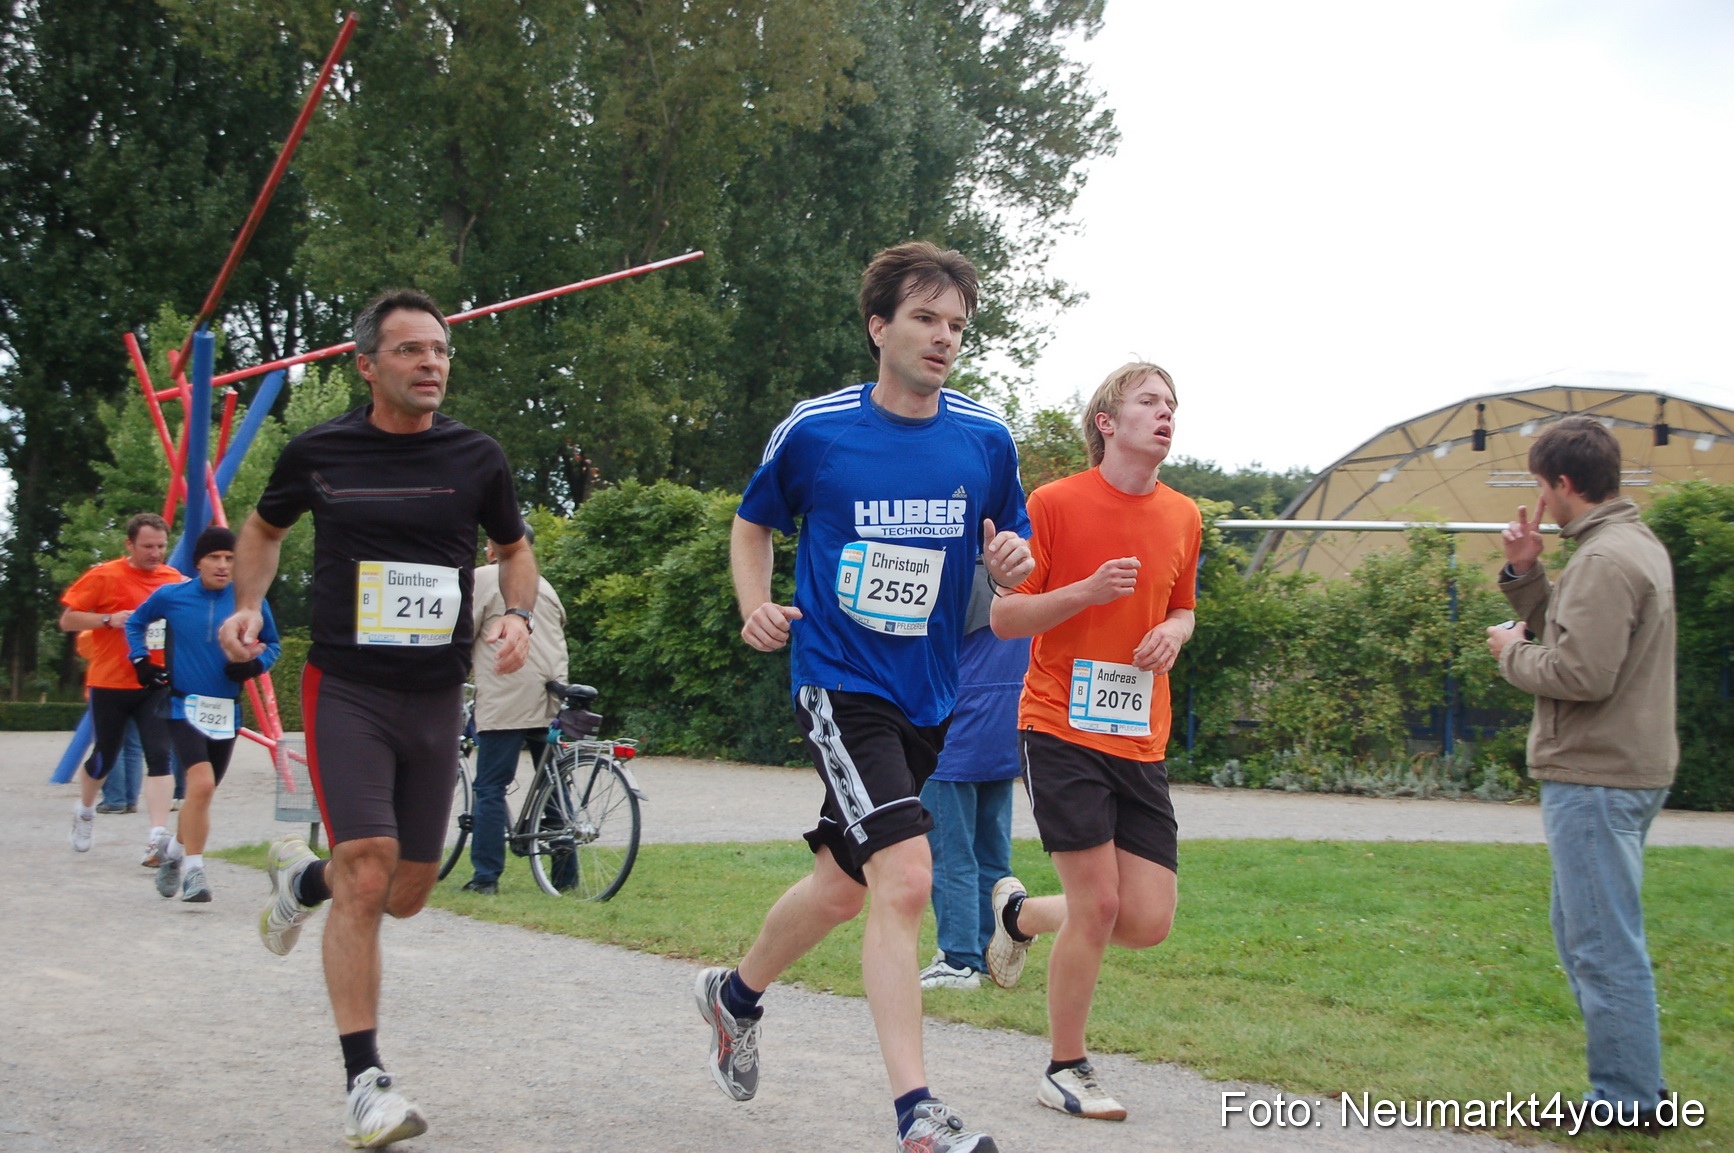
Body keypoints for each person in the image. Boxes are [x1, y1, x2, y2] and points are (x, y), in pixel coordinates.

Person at [698, 241, 1032, 1153]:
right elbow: (753, 520)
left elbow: (1017, 547)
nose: (944, 338)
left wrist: (1012, 559)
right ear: (878, 325)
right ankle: (917, 1111)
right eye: (926, 318)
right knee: (907, 876)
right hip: (839, 683)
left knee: (843, 888)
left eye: (958, 324)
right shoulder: (817, 430)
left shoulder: (985, 437)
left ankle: (732, 998)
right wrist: (756, 604)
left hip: (931, 693)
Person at [219, 288, 535, 1149]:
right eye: (411, 350)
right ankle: (366, 1082)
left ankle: (299, 882)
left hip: (435, 694)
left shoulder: (478, 457)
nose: (432, 362)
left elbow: (514, 548)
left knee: (404, 892)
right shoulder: (319, 450)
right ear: (367, 365)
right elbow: (262, 525)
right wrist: (248, 604)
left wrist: (515, 615)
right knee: (367, 867)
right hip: (346, 688)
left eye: (440, 350)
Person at [986, 362, 1200, 1122]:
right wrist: (1085, 592)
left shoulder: (1183, 514)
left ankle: (1017, 916)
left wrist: (1173, 632)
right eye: (1149, 401)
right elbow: (1007, 618)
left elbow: (1184, 609)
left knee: (1145, 919)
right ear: (1107, 422)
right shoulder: (1055, 503)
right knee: (1100, 901)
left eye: (1172, 404)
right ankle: (1064, 1066)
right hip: (1059, 726)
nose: (1166, 413)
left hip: (1140, 735)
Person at [1486, 415, 1676, 1131]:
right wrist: (1529, 575)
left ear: (1563, 483)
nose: (1541, 499)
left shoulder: (1604, 558)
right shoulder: (1627, 544)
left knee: (1601, 940)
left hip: (1598, 772)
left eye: (1541, 486)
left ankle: (1629, 1100)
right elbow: (1580, 633)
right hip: (1619, 766)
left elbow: (1579, 671)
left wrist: (1509, 650)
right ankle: (1632, 1087)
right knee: (1587, 930)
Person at [127, 525, 280, 902]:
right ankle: (195, 873)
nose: (223, 565)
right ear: (198, 562)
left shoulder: (251, 603)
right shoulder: (172, 596)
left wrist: (253, 668)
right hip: (183, 707)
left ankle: (174, 854)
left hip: (226, 711)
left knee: (201, 796)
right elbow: (135, 622)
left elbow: (273, 645)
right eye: (214, 557)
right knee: (202, 785)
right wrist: (142, 662)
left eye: (230, 558)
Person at [917, 563, 1030, 990]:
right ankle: (992, 951)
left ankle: (959, 959)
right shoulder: (1027, 573)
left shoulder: (953, 572)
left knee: (949, 852)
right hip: (1005, 726)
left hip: (956, 729)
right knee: (992, 855)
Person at [58, 512, 182, 855]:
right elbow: (67, 620)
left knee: (160, 757)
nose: (155, 553)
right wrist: (108, 619)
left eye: (160, 546)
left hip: (154, 682)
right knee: (105, 758)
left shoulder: (173, 580)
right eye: (147, 546)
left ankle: (157, 834)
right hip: (110, 682)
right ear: (129, 544)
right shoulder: (104, 575)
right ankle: (84, 810)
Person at [464, 525, 569, 895]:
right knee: (553, 784)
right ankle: (565, 875)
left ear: (494, 549)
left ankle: (485, 877)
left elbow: (464, 632)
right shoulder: (545, 585)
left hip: (507, 691)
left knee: (491, 786)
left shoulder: (485, 578)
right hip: (552, 693)